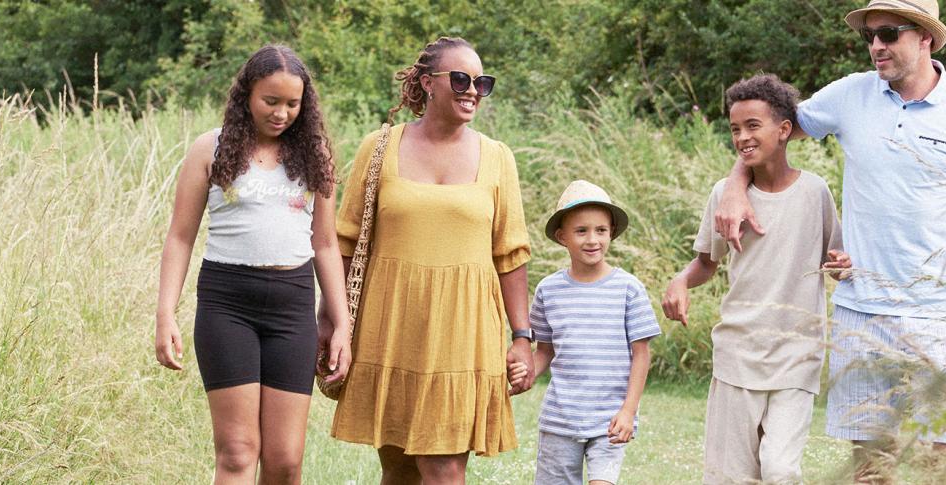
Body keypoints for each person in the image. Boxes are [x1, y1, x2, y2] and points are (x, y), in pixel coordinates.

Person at [712, 1, 946, 481]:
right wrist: (734, 187)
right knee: (871, 468)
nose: (875, 47)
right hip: (861, 314)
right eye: (869, 36)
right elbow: (769, 135)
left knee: (943, 464)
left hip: (943, 318)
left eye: (888, 34)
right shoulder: (849, 96)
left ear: (924, 37)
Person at [320, 36, 536, 483]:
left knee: (444, 468)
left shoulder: (497, 158)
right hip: (392, 324)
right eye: (460, 78)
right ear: (426, 83)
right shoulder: (378, 148)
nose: (472, 89)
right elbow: (344, 243)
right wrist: (332, 320)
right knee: (398, 467)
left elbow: (510, 255)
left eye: (482, 82)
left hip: (464, 330)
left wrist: (522, 337)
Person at [153, 44, 352, 484]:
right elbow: (181, 237)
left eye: (292, 104)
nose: (282, 113)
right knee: (239, 452)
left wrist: (342, 324)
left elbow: (324, 244)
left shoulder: (315, 156)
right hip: (227, 307)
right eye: (271, 101)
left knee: (285, 460)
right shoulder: (211, 149)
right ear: (247, 95)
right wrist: (165, 313)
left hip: (292, 309)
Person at [663, 74, 850, 484]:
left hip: (796, 356)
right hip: (738, 353)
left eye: (753, 126)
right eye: (734, 129)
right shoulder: (723, 196)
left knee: (781, 470)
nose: (742, 137)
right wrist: (679, 281)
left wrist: (841, 265)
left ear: (785, 131)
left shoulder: (815, 192)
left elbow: (834, 261)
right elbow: (705, 264)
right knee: (731, 476)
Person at [524, 180, 661, 485]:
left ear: (611, 232)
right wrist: (526, 375)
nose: (592, 239)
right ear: (562, 237)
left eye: (600, 230)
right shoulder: (549, 290)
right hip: (560, 419)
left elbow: (641, 355)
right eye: (581, 231)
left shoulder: (628, 289)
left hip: (610, 420)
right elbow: (545, 351)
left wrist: (628, 411)